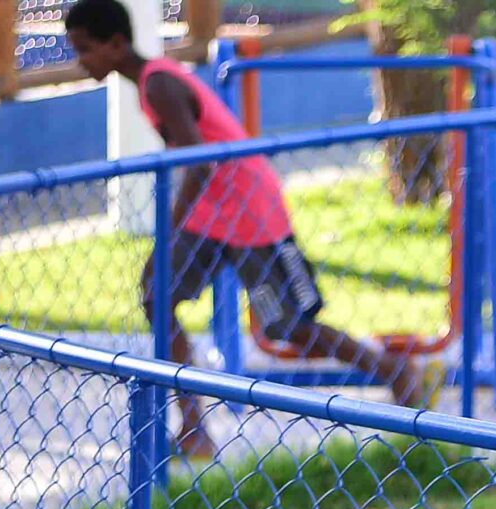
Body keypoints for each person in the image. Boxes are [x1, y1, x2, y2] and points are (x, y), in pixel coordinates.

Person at [63, 0, 439, 459]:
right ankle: (195, 427)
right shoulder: (150, 83)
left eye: (85, 49)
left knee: (288, 325)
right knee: (158, 296)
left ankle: (393, 370)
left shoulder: (159, 82)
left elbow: (198, 160)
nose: (81, 61)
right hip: (212, 214)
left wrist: (169, 230)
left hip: (246, 209)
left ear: (116, 43)